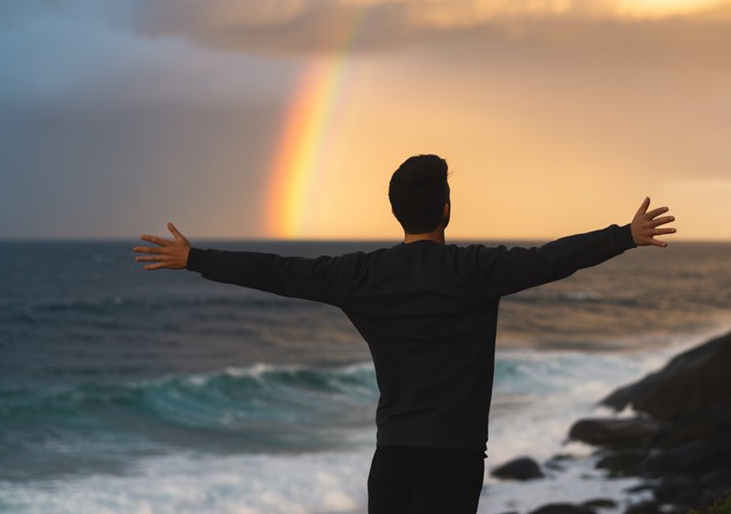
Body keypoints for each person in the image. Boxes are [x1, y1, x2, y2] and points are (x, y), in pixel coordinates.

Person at [134, 154, 676, 513]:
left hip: (391, 457)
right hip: (455, 458)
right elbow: (549, 260)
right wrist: (623, 236)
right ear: (446, 208)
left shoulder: (361, 276)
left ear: (395, 212)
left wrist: (195, 258)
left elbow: (280, 272)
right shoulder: (474, 270)